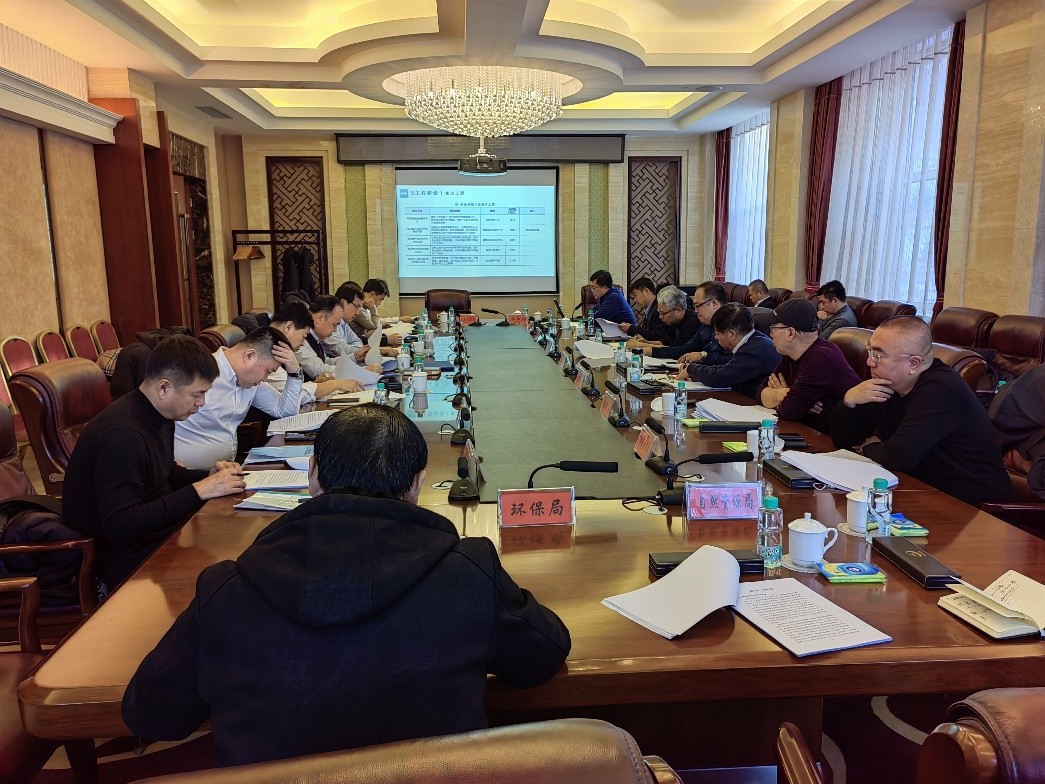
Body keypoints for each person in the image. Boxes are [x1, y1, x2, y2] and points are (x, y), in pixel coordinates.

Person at [122, 404, 571, 766]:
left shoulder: (225, 588)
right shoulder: (469, 569)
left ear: (313, 474)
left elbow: (152, 714)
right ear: (417, 483)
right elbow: (541, 657)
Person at [62, 335, 246, 591]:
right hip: (123, 558)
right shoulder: (123, 436)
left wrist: (209, 477)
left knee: (239, 550)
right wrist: (199, 491)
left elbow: (163, 474)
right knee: (228, 580)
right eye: (197, 394)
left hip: (158, 535)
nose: (202, 403)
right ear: (164, 388)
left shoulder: (161, 414)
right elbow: (120, 524)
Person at [832, 316, 1011, 506]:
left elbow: (898, 457)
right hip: (921, 490)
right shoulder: (887, 384)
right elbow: (844, 441)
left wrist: (866, 447)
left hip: (974, 508)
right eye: (870, 351)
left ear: (914, 364)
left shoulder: (940, 388)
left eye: (878, 355)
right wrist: (849, 401)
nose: (869, 362)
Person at [173, 327, 307, 470]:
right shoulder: (201, 373)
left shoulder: (249, 381)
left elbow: (285, 412)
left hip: (228, 470)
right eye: (268, 371)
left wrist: (295, 373)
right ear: (249, 356)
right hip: (190, 475)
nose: (265, 379)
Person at [757, 298, 861, 434]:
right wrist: (784, 393)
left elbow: (789, 411)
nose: (770, 334)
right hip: (808, 430)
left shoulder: (822, 357)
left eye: (774, 328)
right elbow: (760, 392)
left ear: (790, 333)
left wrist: (788, 399)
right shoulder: (791, 353)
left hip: (832, 439)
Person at [268, 301, 363, 401]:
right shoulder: (267, 350)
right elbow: (294, 395)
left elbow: (294, 390)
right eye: (303, 337)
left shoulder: (276, 345)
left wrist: (315, 384)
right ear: (288, 327)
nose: (303, 343)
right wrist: (335, 384)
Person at [680, 304, 779, 399]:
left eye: (717, 333)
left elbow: (720, 377)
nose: (716, 337)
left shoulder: (756, 349)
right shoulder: (754, 340)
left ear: (732, 334)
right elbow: (728, 368)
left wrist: (692, 369)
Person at [325, 282, 399, 368]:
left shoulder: (343, 322)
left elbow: (358, 342)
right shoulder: (329, 323)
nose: (357, 313)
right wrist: (380, 350)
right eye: (356, 306)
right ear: (343, 302)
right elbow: (344, 350)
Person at [662, 281, 732, 363]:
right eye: (694, 306)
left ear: (714, 304)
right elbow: (686, 349)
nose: (695, 311)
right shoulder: (705, 325)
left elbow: (734, 362)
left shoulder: (732, 325)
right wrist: (651, 351)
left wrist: (703, 356)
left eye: (698, 305)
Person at [625, 286, 700, 356]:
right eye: (659, 312)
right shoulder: (674, 320)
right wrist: (645, 342)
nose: (660, 317)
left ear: (678, 311)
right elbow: (666, 342)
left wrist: (641, 346)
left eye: (663, 313)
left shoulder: (692, 322)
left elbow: (676, 350)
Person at [294, 295, 345, 381]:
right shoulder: (301, 338)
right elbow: (319, 371)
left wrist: (354, 358)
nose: (335, 330)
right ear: (319, 318)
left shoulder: (315, 337)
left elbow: (325, 361)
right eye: (334, 325)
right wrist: (354, 371)